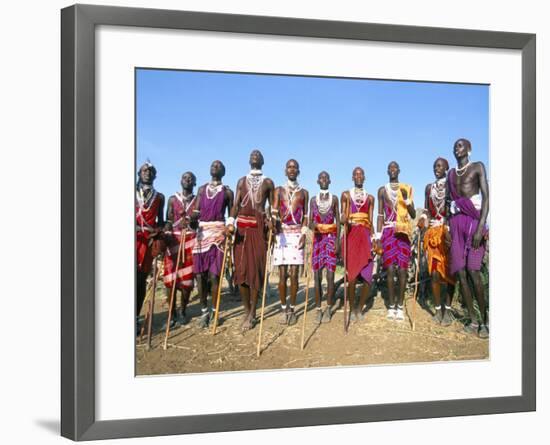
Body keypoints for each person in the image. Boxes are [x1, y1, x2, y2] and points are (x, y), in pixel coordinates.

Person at [229, 150, 275, 331]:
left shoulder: (269, 182)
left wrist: (271, 220)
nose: (255, 155)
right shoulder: (241, 181)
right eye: (252, 154)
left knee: (255, 271)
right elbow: (235, 205)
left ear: (263, 161)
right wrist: (230, 223)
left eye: (258, 154)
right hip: (241, 229)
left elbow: (272, 206)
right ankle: (246, 310)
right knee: (241, 272)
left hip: (258, 229)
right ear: (249, 160)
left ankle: (253, 313)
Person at [447, 138, 489, 338]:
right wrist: (449, 230)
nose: (457, 148)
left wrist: (481, 228)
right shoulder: (451, 174)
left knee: (473, 271)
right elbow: (449, 202)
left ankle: (485, 321)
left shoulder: (478, 167)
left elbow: (486, 198)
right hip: (456, 223)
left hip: (473, 222)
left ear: (469, 149)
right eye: (455, 146)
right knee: (461, 273)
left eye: (461, 145)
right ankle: (473, 320)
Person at [192, 161, 234, 328]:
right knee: (200, 276)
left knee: (214, 275)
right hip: (201, 235)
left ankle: (215, 311)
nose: (215, 167)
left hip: (218, 234)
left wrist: (230, 226)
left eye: (218, 166)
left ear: (223, 171)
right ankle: (204, 312)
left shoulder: (227, 192)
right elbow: (195, 213)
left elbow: (231, 214)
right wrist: (191, 222)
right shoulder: (202, 190)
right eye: (213, 165)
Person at [376, 161, 416, 321]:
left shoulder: (406, 188)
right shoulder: (382, 190)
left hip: (403, 232)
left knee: (402, 270)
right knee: (390, 270)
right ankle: (391, 306)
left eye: (395, 168)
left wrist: (406, 200)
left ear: (399, 170)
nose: (392, 170)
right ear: (387, 171)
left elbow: (412, 214)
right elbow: (380, 215)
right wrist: (378, 238)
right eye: (390, 168)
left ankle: (400, 306)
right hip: (388, 232)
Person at [272, 159, 309, 326]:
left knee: (294, 274)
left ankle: (292, 309)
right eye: (289, 167)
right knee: (282, 275)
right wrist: (273, 224)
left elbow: (306, 216)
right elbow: (274, 211)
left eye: (295, 167)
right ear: (285, 170)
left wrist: (303, 233)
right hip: (281, 234)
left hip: (296, 234)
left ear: (299, 171)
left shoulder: (304, 192)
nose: (292, 170)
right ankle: (282, 308)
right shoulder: (278, 190)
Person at [423, 158, 456, 326]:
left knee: (450, 272)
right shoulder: (429, 188)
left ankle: (448, 309)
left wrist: (449, 227)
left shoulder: (452, 186)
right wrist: (423, 220)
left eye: (440, 166)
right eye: (435, 165)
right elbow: (427, 211)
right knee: (434, 272)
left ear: (447, 168)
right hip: (433, 234)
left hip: (448, 232)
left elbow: (454, 209)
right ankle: (437, 309)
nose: (437, 168)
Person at [162, 171, 197, 327]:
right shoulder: (172, 199)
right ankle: (171, 314)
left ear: (194, 183)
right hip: (174, 240)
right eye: (184, 177)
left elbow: (199, 222)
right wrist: (168, 231)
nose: (187, 179)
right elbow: (168, 220)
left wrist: (190, 223)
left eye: (190, 178)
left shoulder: (197, 201)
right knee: (170, 278)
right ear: (180, 181)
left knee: (187, 280)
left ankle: (182, 311)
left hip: (191, 239)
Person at [341, 167, 375, 322]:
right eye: (356, 174)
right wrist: (344, 218)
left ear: (365, 177)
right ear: (352, 177)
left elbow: (371, 221)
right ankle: (353, 307)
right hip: (351, 236)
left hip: (366, 236)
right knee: (352, 277)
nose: (359, 176)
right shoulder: (346, 195)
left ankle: (360, 308)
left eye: (361, 174)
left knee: (368, 276)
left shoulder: (370, 198)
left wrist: (374, 239)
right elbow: (343, 216)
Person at [135, 161, 165, 330]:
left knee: (140, 281)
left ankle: (135, 317)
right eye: (144, 170)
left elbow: (159, 221)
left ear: (155, 175)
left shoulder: (159, 197)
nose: (148, 172)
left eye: (151, 171)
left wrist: (160, 234)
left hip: (148, 242)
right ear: (139, 173)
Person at [310, 171, 340, 323]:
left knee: (330, 276)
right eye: (321, 177)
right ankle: (318, 310)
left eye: (326, 178)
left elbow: (339, 221)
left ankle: (328, 307)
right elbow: (309, 222)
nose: (323, 180)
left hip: (330, 239)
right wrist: (313, 225)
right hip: (317, 240)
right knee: (317, 277)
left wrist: (338, 242)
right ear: (317, 181)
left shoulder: (334, 199)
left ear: (330, 181)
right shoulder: (313, 201)